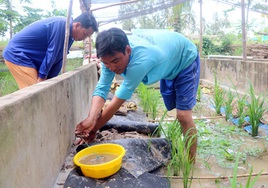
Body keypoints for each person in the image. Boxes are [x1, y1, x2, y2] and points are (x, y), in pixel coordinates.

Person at [75, 28, 200, 162]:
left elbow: (117, 101)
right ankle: (182, 140)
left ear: (128, 50)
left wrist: (94, 128)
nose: (111, 67)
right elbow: (102, 88)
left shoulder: (141, 60)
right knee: (174, 106)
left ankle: (190, 163)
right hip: (169, 61)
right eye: (106, 63)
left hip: (185, 58)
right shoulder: (109, 58)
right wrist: (91, 118)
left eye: (115, 61)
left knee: (183, 115)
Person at [2, 11, 98, 89]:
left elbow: (59, 58)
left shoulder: (70, 37)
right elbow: (52, 53)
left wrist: (51, 80)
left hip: (30, 59)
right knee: (35, 93)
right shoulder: (62, 25)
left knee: (42, 91)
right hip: (17, 55)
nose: (84, 38)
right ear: (77, 25)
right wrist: (42, 77)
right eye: (85, 34)